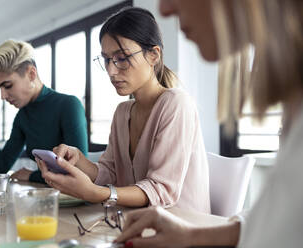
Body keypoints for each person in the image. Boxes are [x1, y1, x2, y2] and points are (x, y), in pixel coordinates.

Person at [115, 0, 303, 247]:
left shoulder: (176, 102)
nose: (164, 9)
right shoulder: (295, 103)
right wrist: (191, 237)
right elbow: (282, 226)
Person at [37, 7, 210, 211]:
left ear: (154, 55)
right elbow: (110, 173)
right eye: (107, 59)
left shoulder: (176, 104)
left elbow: (162, 190)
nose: (111, 70)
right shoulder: (122, 112)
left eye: (122, 58)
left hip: (183, 228)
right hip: (139, 223)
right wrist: (78, 160)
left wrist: (95, 194)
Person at [0, 40, 88, 183]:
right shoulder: (23, 116)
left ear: (31, 74)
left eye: (7, 85)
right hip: (43, 197)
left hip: (72, 201)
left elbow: (80, 173)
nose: (2, 96)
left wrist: (32, 176)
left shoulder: (69, 105)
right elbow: (1, 167)